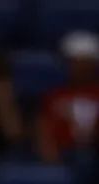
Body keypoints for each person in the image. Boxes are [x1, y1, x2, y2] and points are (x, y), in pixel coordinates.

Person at [38, 31, 99, 163]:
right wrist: (46, 146)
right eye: (74, 62)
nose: (79, 67)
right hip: (63, 152)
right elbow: (45, 127)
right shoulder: (55, 95)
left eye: (84, 62)